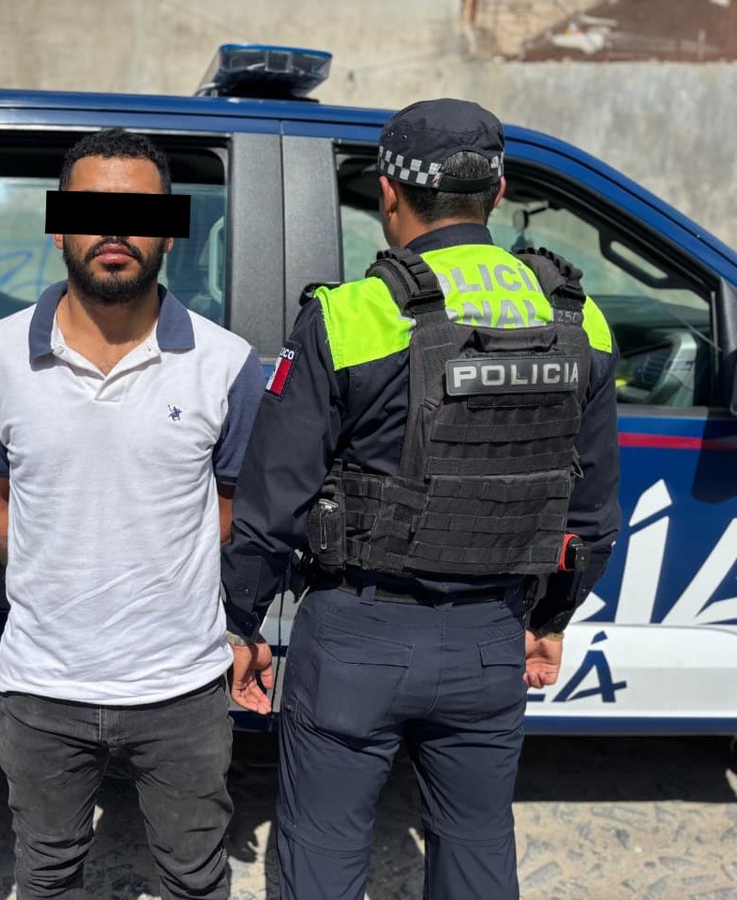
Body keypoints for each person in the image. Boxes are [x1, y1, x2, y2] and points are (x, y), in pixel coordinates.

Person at [221, 99, 620, 900]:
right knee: (477, 849)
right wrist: (549, 620)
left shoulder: (353, 315)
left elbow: (274, 502)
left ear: (388, 195)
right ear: (498, 193)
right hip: (489, 637)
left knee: (322, 855)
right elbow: (591, 515)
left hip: (356, 637)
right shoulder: (578, 318)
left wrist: (241, 625)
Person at [0, 128, 265, 900]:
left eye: (139, 213)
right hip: (42, 688)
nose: (115, 231)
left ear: (169, 230)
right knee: (48, 873)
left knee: (196, 878)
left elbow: (228, 513)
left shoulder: (227, 362)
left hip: (183, 690)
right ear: (59, 225)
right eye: (92, 210)